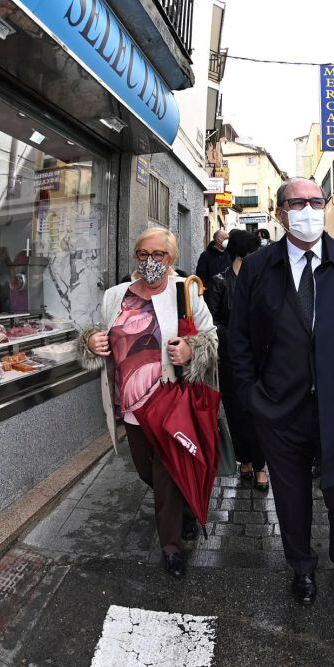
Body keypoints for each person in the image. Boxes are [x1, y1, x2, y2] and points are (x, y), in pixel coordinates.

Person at [231, 177, 334, 606]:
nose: (307, 209)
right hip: (280, 410)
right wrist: (252, 397)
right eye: (297, 202)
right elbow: (239, 340)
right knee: (291, 500)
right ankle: (301, 568)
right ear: (281, 213)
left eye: (315, 201)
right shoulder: (259, 268)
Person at [80, 228, 219, 579]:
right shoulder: (116, 295)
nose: (150, 262)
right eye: (143, 254)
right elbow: (98, 333)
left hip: (169, 403)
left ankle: (170, 547)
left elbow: (212, 338)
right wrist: (91, 343)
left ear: (171, 259)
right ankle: (185, 508)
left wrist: (191, 351)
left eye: (158, 255)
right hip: (130, 405)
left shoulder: (184, 291)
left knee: (167, 472)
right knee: (148, 472)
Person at [204, 229, 267, 493]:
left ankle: (261, 466)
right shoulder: (220, 282)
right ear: (244, 253)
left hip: (260, 358)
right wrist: (231, 339)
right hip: (230, 358)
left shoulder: (263, 280)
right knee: (237, 412)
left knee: (260, 412)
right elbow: (210, 320)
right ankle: (245, 460)